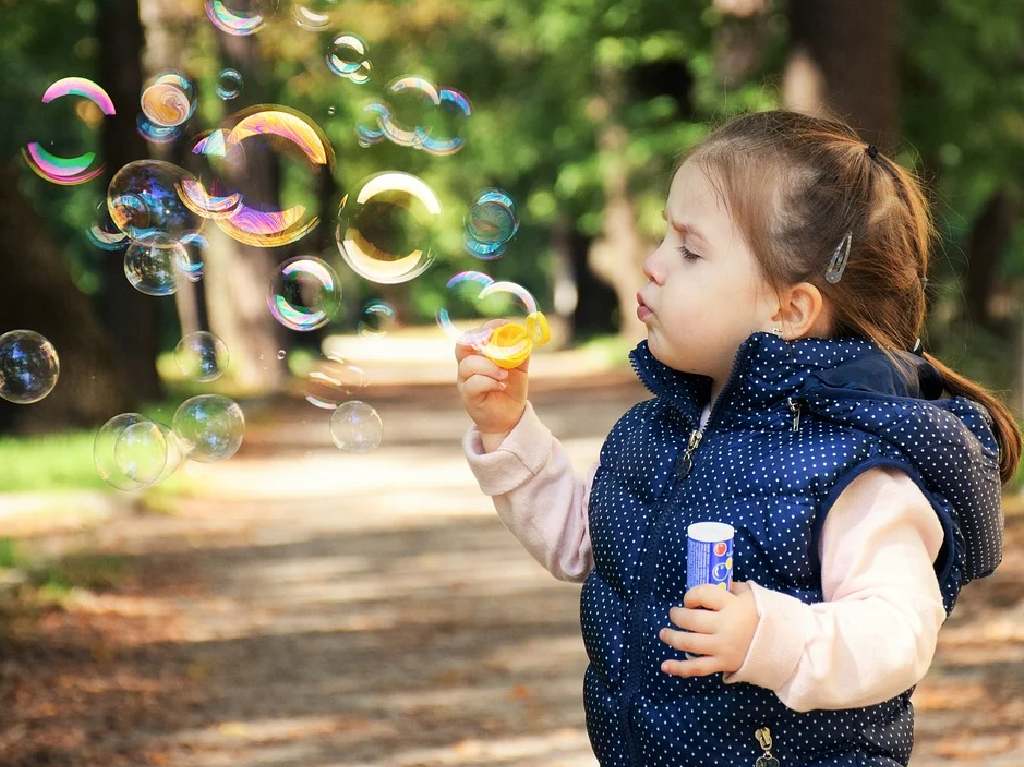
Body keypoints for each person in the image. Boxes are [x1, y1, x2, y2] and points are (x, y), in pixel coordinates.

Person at [455, 110, 1021, 766]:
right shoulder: (656, 430)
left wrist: (770, 636)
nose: (654, 263)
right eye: (666, 237)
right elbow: (588, 544)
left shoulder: (851, 466)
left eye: (690, 249)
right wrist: (508, 431)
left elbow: (898, 631)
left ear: (788, 310)